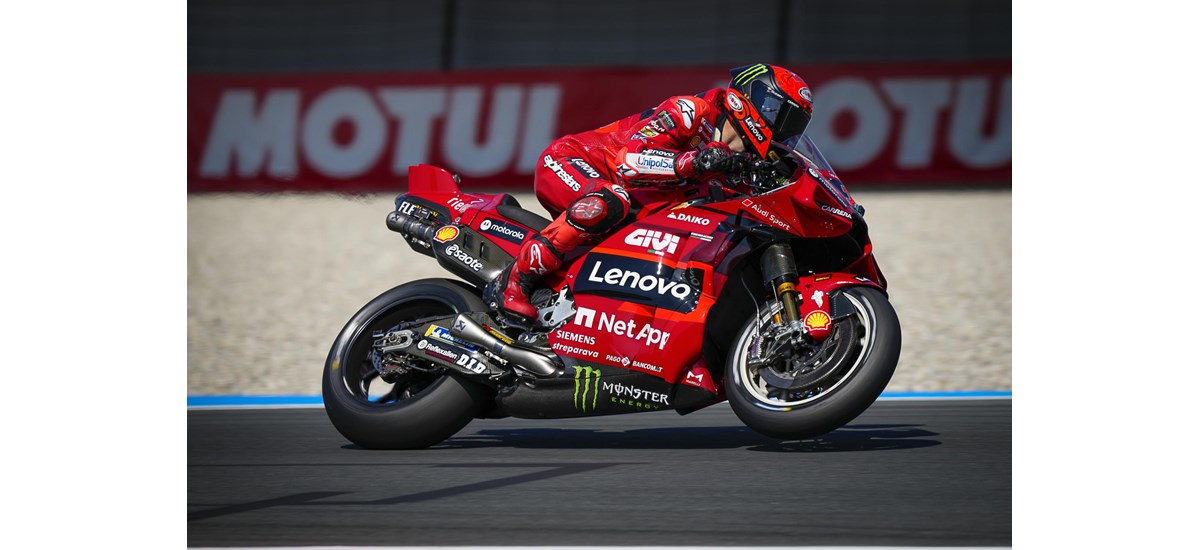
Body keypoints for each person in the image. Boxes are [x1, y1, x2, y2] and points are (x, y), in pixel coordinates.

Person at [492, 63, 815, 321]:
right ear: (758, 103)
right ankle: (515, 281)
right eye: (785, 119)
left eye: (795, 127)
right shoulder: (691, 111)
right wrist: (695, 161)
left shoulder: (742, 166)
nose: (787, 133)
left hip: (633, 199)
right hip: (574, 161)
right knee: (609, 201)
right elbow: (628, 163)